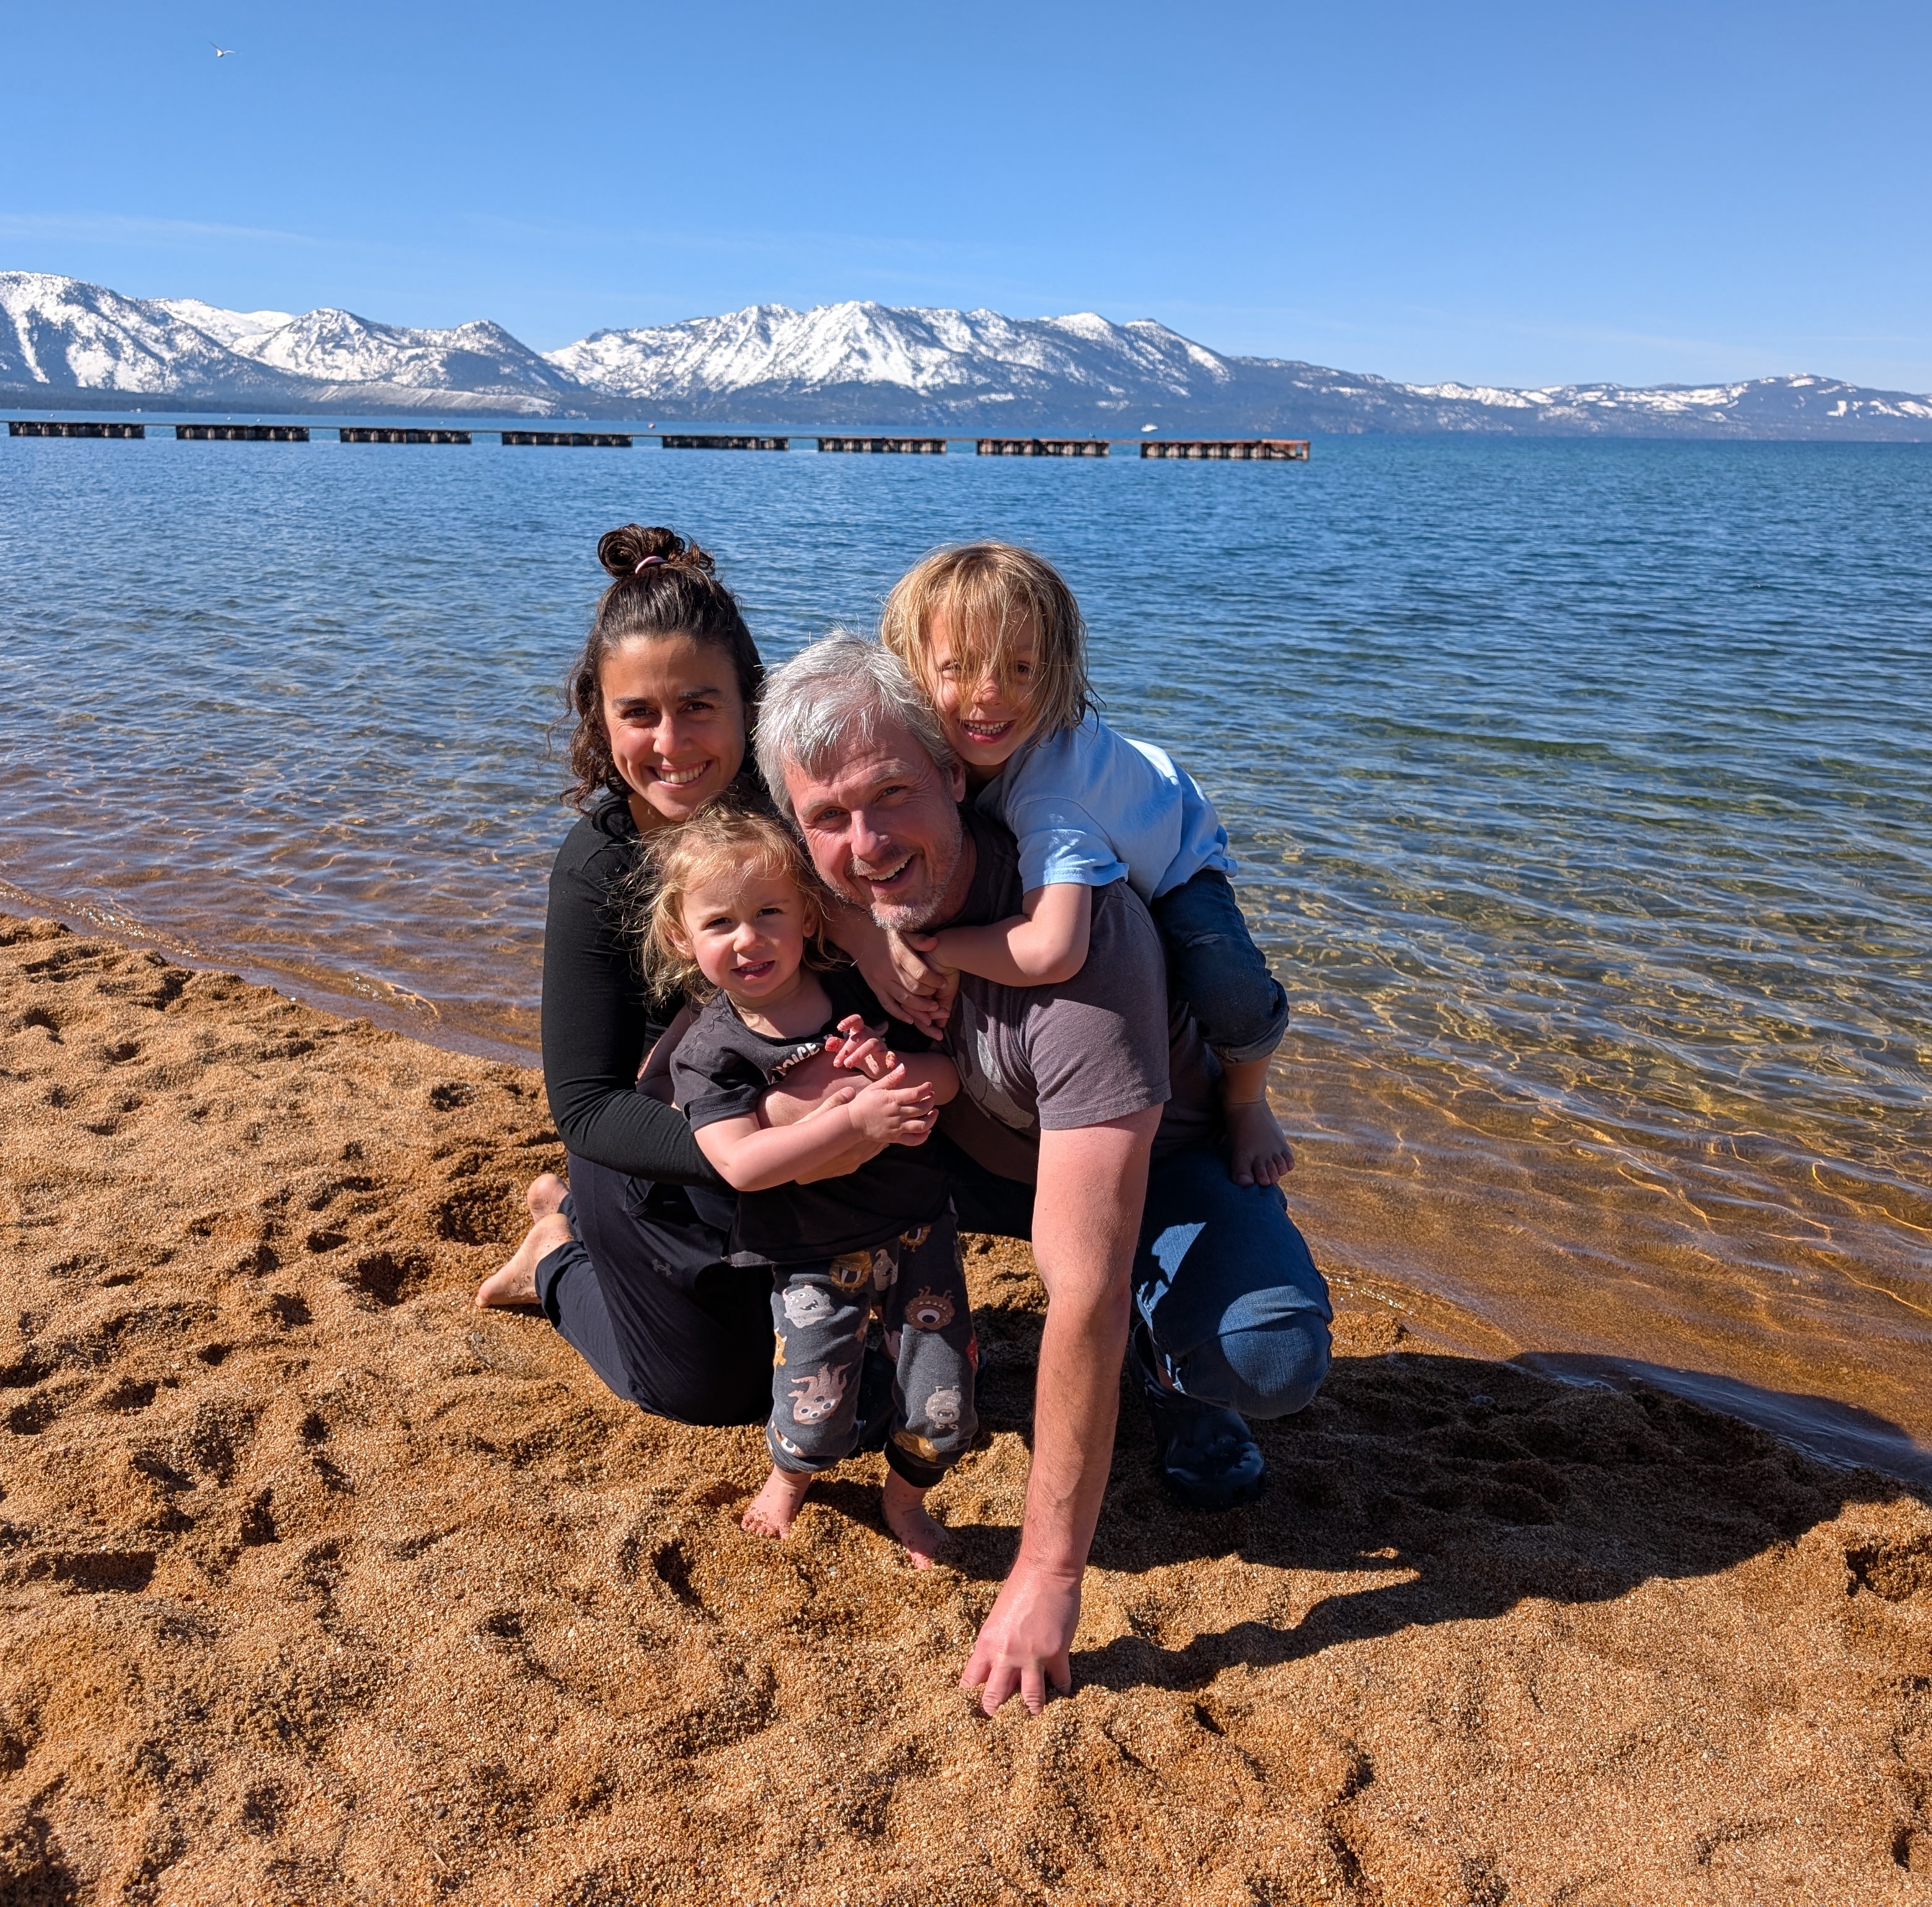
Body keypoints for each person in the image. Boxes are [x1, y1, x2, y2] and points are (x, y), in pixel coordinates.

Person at [752, 631, 1335, 1718]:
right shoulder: (851, 890)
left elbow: (1081, 1288)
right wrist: (874, 941)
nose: (867, 842)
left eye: (892, 795)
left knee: (1264, 1351)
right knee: (734, 1156)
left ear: (953, 773)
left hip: (1153, 1162)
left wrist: (1047, 1574)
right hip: (984, 1150)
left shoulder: (1076, 922)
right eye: (828, 819)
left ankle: (1169, 1374)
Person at [476, 525, 880, 1427]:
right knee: (709, 1395)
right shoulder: (601, 864)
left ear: (750, 703)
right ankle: (555, 1252)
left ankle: (570, 1212)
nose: (671, 743)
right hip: (665, 1149)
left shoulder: (801, 823)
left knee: (872, 1378)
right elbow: (584, 1104)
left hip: (813, 1131)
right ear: (600, 717)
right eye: (639, 714)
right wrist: (752, 1140)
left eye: (699, 705)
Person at [872, 542, 1294, 1190]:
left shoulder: (1052, 796)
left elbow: (1053, 952)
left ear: (1059, 668)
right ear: (910, 665)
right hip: (1112, 790)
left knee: (1223, 985)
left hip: (1172, 839)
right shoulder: (931, 746)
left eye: (1021, 668)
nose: (992, 695)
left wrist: (938, 948)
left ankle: (1245, 1101)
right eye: (959, 667)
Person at [641, 805, 974, 1567]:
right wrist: (853, 1123)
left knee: (942, 1396)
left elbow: (948, 1076)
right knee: (814, 1401)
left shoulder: (856, 992)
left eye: (769, 914)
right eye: (720, 922)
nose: (749, 938)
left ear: (809, 918)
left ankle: (904, 1498)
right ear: (680, 939)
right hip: (811, 1253)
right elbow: (743, 1164)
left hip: (920, 1224)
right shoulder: (710, 1052)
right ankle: (790, 1479)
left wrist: (889, 1077)